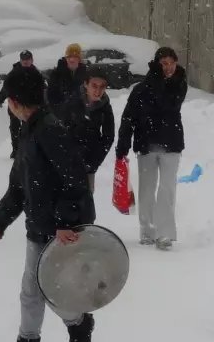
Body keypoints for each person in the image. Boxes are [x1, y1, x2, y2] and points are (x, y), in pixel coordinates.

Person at [0, 67, 95, 342]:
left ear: (15, 101)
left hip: (63, 230)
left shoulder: (50, 130)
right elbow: (20, 184)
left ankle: (78, 323)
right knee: (31, 292)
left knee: (54, 292)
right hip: (39, 226)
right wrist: (2, 219)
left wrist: (65, 222)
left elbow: (74, 179)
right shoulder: (29, 131)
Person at [115, 46, 188, 250]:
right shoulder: (141, 89)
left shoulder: (179, 84)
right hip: (146, 144)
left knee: (167, 188)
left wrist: (159, 81)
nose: (168, 67)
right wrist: (122, 145)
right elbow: (128, 117)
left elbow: (170, 104)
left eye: (171, 63)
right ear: (157, 65)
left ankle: (164, 233)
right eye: (163, 63)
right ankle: (147, 230)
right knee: (147, 189)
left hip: (171, 143)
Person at [62, 68, 115, 191]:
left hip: (90, 161)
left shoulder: (105, 107)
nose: (98, 90)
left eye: (102, 87)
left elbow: (108, 137)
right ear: (86, 84)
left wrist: (94, 161)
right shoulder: (72, 101)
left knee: (86, 202)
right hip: (68, 162)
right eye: (94, 85)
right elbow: (62, 130)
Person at [0, 50, 37, 158]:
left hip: (29, 108)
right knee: (14, 128)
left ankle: (26, 151)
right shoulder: (14, 74)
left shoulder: (36, 73)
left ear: (32, 60)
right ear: (20, 61)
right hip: (15, 106)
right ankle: (16, 150)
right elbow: (5, 88)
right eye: (24, 60)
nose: (26, 62)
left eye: (28, 59)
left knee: (28, 129)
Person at [46, 43, 90, 115]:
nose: (72, 60)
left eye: (75, 57)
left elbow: (89, 95)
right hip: (61, 115)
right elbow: (51, 97)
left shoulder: (85, 73)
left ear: (79, 59)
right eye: (69, 57)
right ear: (66, 58)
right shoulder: (56, 73)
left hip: (81, 115)